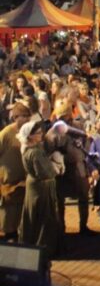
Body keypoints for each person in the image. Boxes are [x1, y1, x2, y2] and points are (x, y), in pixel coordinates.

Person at [18, 120, 64, 257]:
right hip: (41, 189)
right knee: (44, 218)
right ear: (30, 136)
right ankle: (42, 249)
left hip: (34, 186)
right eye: (38, 133)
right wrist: (56, 166)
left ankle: (31, 245)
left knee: (33, 218)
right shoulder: (35, 152)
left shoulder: (29, 148)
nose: (41, 134)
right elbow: (45, 173)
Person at [0, 102, 31, 240]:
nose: (25, 119)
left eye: (27, 116)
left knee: (21, 209)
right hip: (8, 179)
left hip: (24, 178)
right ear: (15, 117)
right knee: (8, 211)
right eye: (22, 116)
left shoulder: (29, 132)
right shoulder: (6, 133)